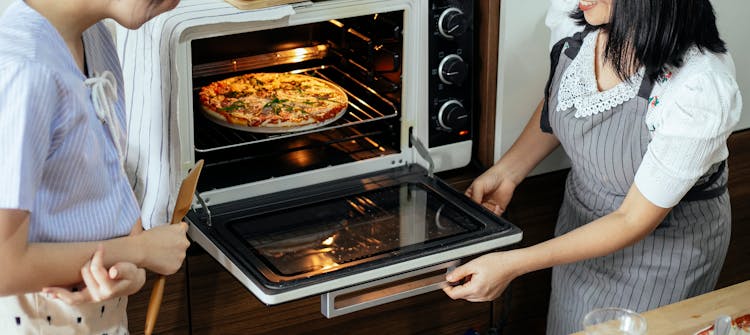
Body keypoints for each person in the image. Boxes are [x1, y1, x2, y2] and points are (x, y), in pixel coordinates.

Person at [442, 0, 742, 334]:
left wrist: (514, 263)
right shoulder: (585, 18)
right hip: (577, 230)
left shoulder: (698, 87)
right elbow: (568, 99)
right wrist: (509, 171)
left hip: (662, 255)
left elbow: (631, 219)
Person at [0, 0, 189, 333]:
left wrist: (128, 269)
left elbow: (104, 186)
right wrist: (140, 250)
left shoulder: (93, 35)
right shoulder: (24, 69)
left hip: (101, 318)